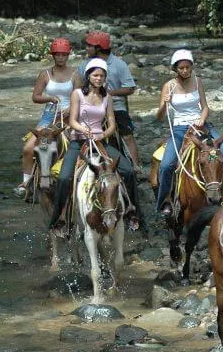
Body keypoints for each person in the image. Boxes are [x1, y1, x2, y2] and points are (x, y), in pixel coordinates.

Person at [49, 58, 137, 235]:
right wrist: (83, 129)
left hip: (100, 142)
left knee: (128, 171)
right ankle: (59, 219)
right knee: (65, 177)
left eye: (102, 75)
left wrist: (103, 134)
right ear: (88, 76)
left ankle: (131, 212)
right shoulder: (77, 94)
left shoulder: (107, 97)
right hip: (79, 141)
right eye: (95, 75)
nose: (99, 78)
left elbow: (111, 124)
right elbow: (72, 120)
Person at [154, 49, 223, 219]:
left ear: (191, 67)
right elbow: (160, 117)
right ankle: (164, 201)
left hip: (201, 125)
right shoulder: (169, 86)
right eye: (181, 68)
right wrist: (164, 104)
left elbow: (205, 106)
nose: (184, 70)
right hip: (180, 128)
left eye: (187, 67)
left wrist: (202, 119)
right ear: (175, 69)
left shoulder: (198, 82)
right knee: (167, 165)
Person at [15, 38, 76, 196]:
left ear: (68, 55)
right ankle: (26, 182)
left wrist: (71, 108)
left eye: (64, 55)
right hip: (49, 116)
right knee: (29, 147)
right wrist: (49, 98)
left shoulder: (76, 74)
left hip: (70, 116)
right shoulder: (45, 74)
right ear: (53, 56)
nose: (61, 58)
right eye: (58, 55)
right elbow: (35, 97)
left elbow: (81, 97)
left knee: (75, 145)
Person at [75, 31, 140, 169]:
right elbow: (79, 86)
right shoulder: (85, 65)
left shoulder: (118, 64)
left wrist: (107, 93)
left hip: (115, 105)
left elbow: (130, 88)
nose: (86, 48)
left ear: (98, 48)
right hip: (90, 105)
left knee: (127, 135)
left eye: (89, 46)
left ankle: (135, 167)